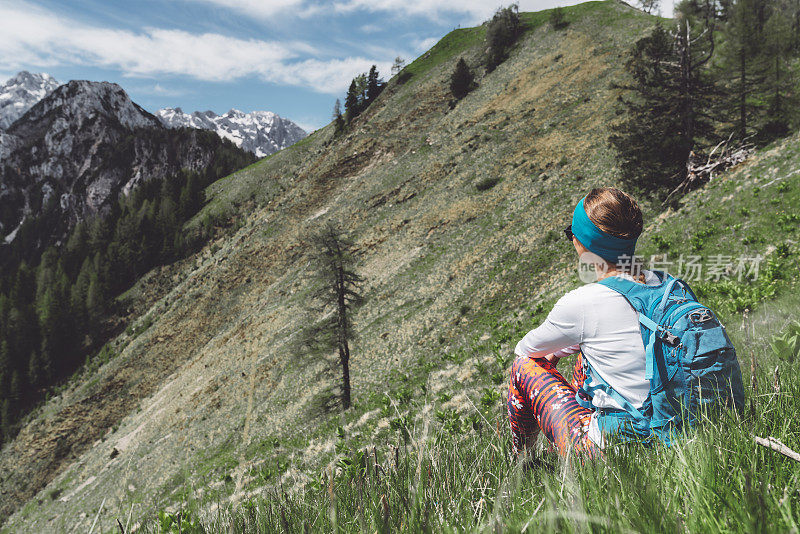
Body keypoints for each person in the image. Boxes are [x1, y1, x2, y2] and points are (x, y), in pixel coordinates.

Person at [507, 187, 657, 457]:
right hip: (677, 426)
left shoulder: (583, 302)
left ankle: (523, 463)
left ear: (582, 244)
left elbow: (525, 351)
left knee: (522, 367)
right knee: (585, 357)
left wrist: (563, 348)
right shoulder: (668, 284)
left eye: (571, 234)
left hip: (619, 448)